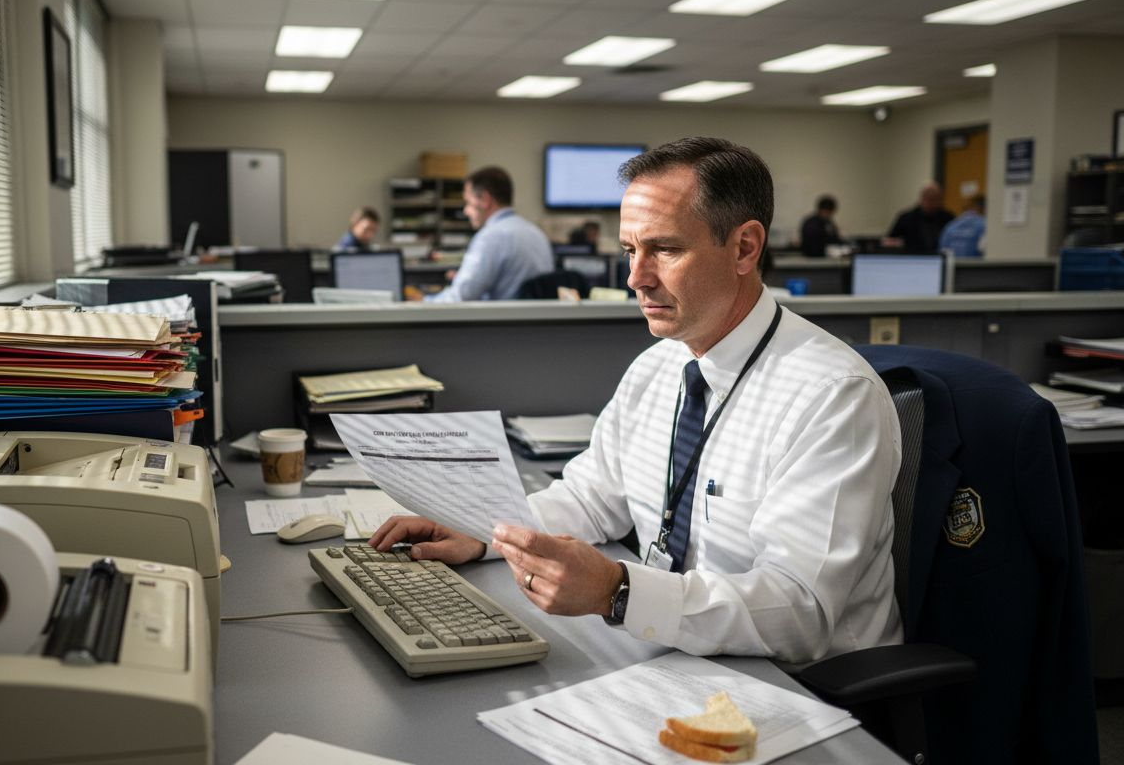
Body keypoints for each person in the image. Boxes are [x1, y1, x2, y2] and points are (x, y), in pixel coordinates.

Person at [373, 136, 903, 663]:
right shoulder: (658, 367)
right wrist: (483, 531)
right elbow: (591, 498)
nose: (636, 278)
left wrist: (618, 591)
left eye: (665, 249)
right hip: (672, 653)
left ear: (744, 247)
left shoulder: (833, 397)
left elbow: (800, 610)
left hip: (798, 684)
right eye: (631, 251)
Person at [418, 166, 553, 302]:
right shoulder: (536, 233)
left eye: (468, 203)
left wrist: (424, 301)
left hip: (502, 315)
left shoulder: (490, 237)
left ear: (485, 199)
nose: (466, 211)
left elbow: (463, 296)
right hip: (533, 315)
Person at [886, 182, 954, 252]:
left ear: (940, 199)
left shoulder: (948, 218)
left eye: (934, 199)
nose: (931, 203)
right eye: (928, 198)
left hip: (939, 256)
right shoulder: (906, 218)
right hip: (912, 256)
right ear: (922, 198)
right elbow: (889, 241)